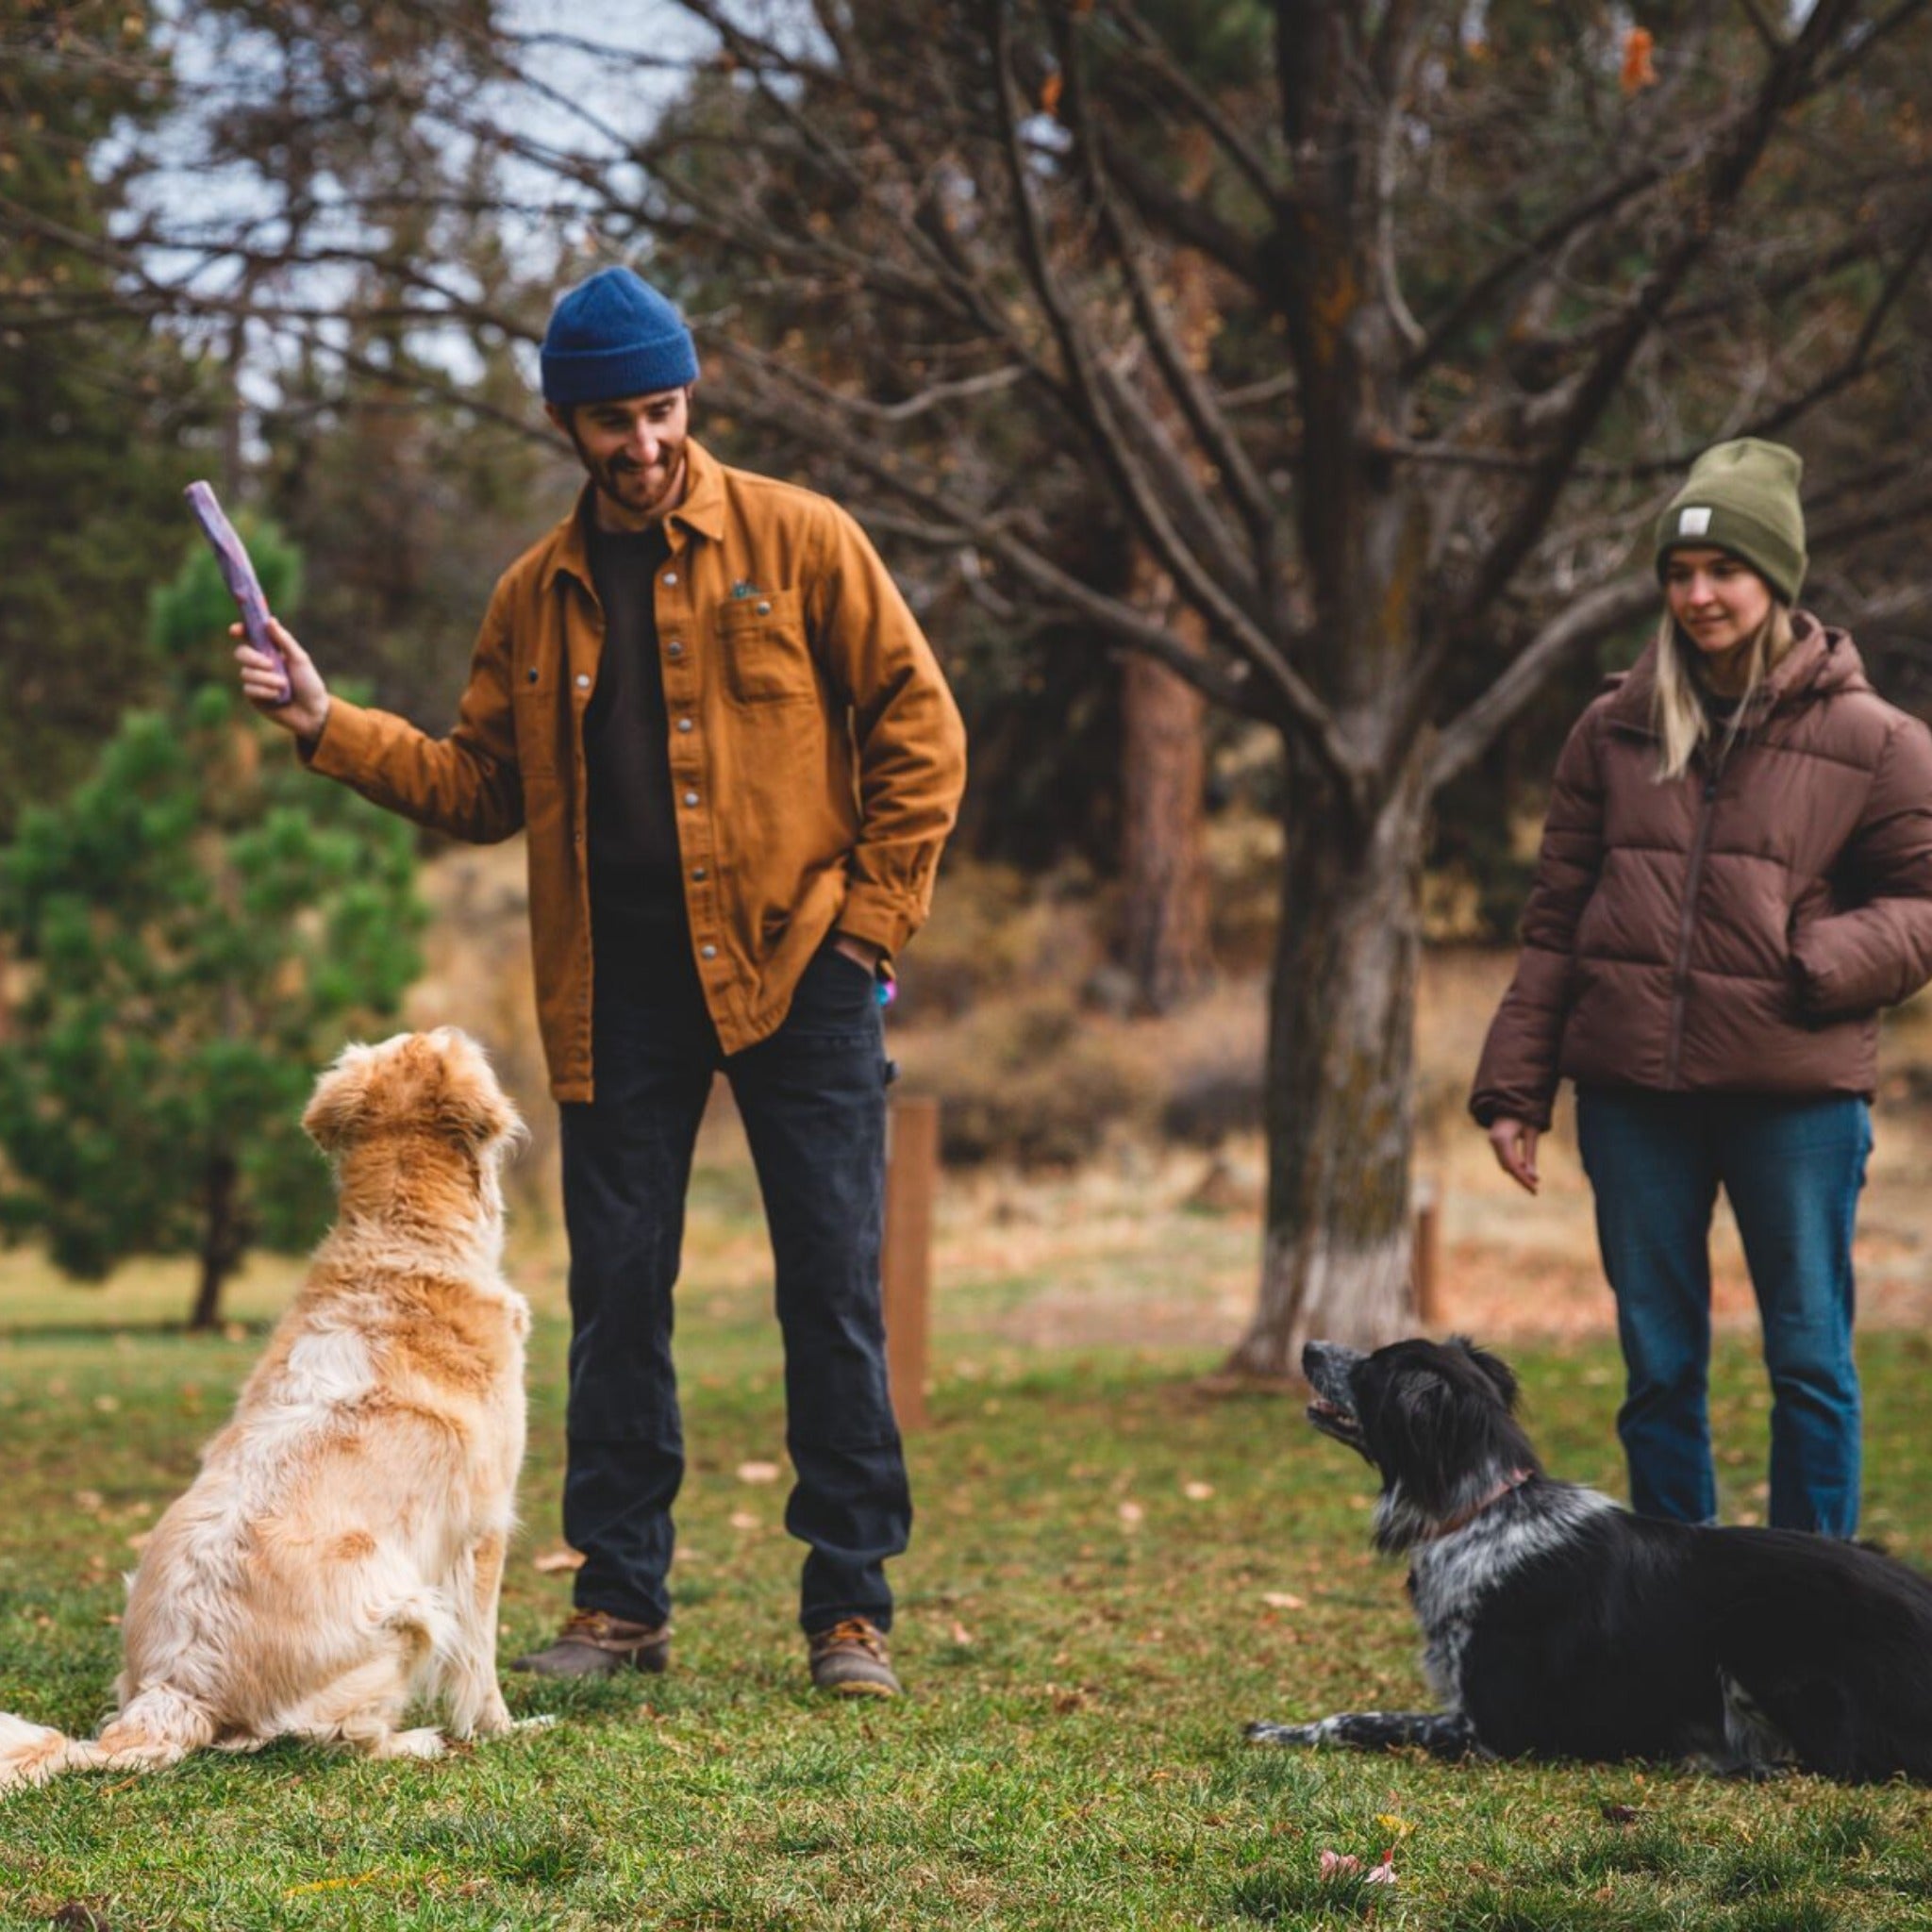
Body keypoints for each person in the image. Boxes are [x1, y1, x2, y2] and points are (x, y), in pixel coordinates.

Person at [236, 264, 967, 1696]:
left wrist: (871, 932)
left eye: (664, 409)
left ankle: (849, 1609)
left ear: (689, 399)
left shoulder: (802, 541)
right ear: (567, 425)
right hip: (618, 987)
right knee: (619, 1297)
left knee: (832, 1289)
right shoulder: (535, 596)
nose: (644, 443)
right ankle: (620, 1605)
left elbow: (920, 733)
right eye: (613, 420)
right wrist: (329, 721)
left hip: (802, 967)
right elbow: (479, 782)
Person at [1470, 437, 1932, 1539]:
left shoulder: (1873, 741)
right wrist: (1512, 1086)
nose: (1696, 594)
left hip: (1793, 1099)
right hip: (1634, 1100)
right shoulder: (1612, 728)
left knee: (1809, 1360)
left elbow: (1921, 901)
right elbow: (1555, 919)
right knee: (1658, 1367)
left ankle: (1812, 1615)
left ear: (1774, 578)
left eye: (1721, 570)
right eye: (1677, 574)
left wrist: (1812, 965)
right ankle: (1681, 1622)